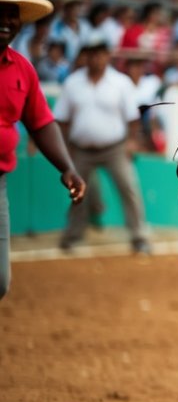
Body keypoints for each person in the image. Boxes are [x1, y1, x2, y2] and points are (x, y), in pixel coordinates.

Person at [0, 0, 86, 299]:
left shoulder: (22, 68)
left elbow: (41, 122)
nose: (7, 22)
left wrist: (67, 168)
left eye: (13, 15)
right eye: (0, 13)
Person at [53, 30, 149, 254]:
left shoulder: (120, 82)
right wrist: (65, 149)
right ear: (86, 55)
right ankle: (73, 235)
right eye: (92, 53)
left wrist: (131, 142)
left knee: (129, 189)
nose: (96, 58)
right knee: (77, 192)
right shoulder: (72, 82)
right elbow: (63, 120)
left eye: (100, 53)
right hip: (80, 149)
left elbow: (133, 118)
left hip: (114, 148)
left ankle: (139, 236)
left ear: (108, 55)